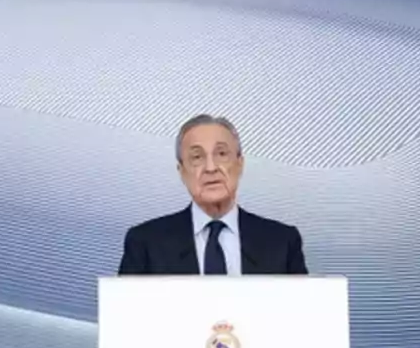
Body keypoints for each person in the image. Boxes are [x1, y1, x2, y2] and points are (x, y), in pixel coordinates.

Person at [117, 114, 308, 276]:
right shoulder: (145, 243)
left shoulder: (282, 242)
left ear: (240, 164)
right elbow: (125, 317)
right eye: (197, 157)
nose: (210, 168)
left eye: (222, 154)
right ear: (181, 171)